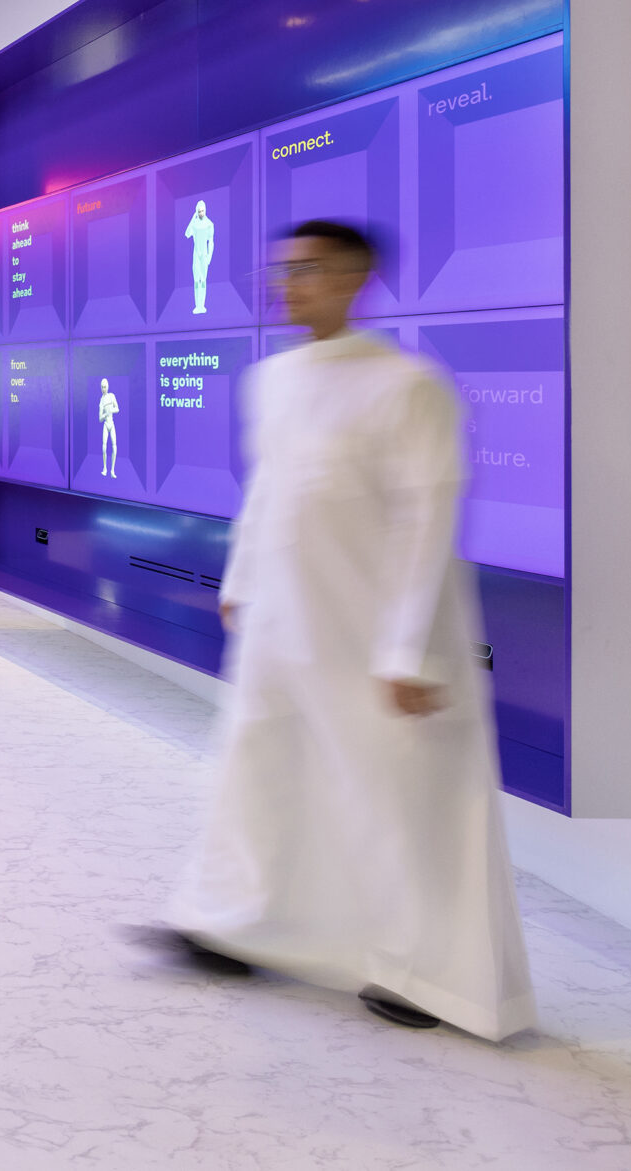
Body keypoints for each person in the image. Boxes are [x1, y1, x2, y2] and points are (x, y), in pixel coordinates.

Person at [161, 220, 534, 1039]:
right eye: (282, 270)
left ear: (354, 278)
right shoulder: (273, 378)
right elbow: (271, 488)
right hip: (284, 619)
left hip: (372, 633)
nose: (288, 285)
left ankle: (430, 975)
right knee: (259, 764)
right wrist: (241, 580)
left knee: (395, 798)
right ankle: (235, 923)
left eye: (308, 269)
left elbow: (427, 520)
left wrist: (408, 650)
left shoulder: (408, 386)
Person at [185, 200, 216, 315]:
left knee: (203, 280)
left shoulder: (209, 224)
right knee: (196, 281)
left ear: (205, 210)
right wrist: (192, 218)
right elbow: (187, 234)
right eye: (199, 211)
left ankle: (202, 306)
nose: (201, 213)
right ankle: (197, 306)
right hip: (196, 255)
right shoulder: (194, 224)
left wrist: (209, 257)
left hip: (204, 255)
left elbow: (211, 242)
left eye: (202, 211)